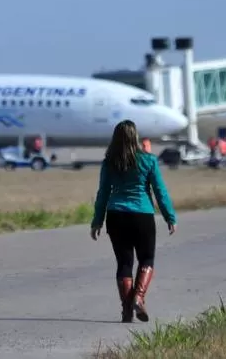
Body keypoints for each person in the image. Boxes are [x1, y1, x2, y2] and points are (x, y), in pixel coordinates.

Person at [91, 119, 177, 323]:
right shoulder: (148, 160)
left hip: (115, 215)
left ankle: (127, 310)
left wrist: (97, 221)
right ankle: (138, 298)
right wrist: (169, 216)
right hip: (142, 215)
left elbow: (103, 193)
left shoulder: (109, 162)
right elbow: (160, 191)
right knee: (146, 259)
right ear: (135, 137)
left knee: (124, 263)